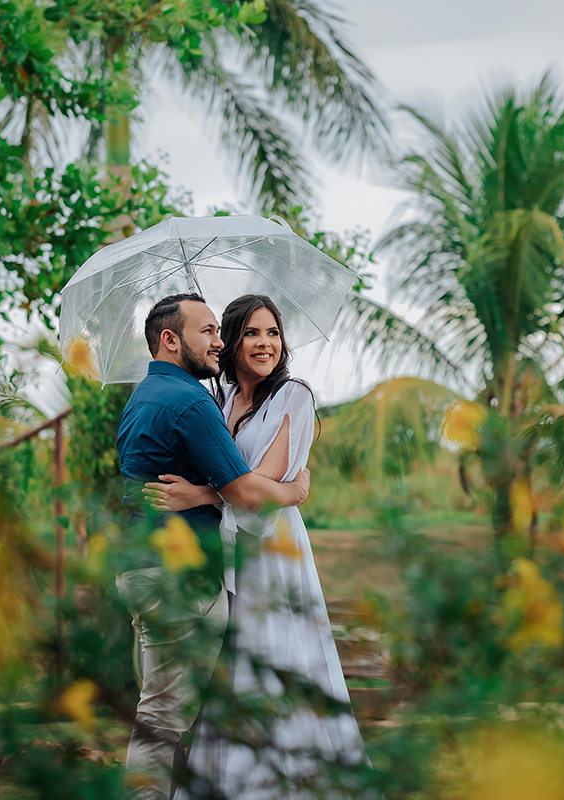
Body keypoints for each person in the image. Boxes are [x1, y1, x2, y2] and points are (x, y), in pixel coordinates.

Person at [148, 294, 368, 799]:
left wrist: (199, 495)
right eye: (251, 333)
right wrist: (282, 490)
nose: (265, 343)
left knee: (277, 656)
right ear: (230, 340)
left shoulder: (294, 396)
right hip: (231, 553)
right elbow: (243, 482)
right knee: (231, 667)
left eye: (272, 333)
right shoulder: (222, 400)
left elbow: (259, 488)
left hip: (274, 553)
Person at [115, 292, 312, 800]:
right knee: (163, 716)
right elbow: (246, 492)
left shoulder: (142, 396)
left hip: (143, 565)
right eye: (210, 332)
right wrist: (295, 490)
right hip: (180, 575)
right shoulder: (193, 400)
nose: (218, 342)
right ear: (170, 339)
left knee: (172, 710)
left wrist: (203, 493)